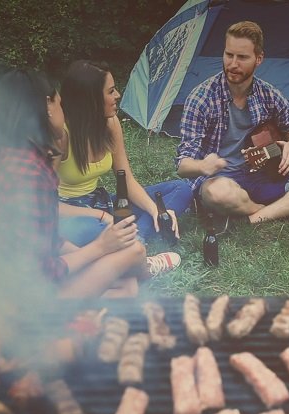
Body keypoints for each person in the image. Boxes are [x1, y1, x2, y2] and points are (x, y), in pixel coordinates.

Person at [0, 69, 148, 299]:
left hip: (1, 282)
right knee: (134, 252)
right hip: (12, 297)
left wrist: (92, 256)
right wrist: (99, 248)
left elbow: (44, 239)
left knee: (127, 286)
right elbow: (40, 273)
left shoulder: (11, 157)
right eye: (60, 104)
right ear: (48, 107)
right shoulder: (30, 175)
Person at [176, 21, 289, 225]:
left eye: (242, 57)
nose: (233, 64)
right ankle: (273, 208)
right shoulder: (201, 99)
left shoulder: (269, 94)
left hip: (264, 177)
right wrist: (203, 165)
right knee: (216, 193)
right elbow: (183, 166)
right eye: (229, 55)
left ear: (259, 59)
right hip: (223, 182)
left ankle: (254, 217)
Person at [56, 60, 191, 275]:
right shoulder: (61, 136)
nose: (118, 95)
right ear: (90, 100)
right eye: (110, 91)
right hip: (71, 215)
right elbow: (45, 205)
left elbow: (125, 177)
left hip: (101, 202)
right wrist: (100, 217)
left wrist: (155, 210)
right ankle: (138, 254)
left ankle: (135, 244)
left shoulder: (110, 123)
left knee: (182, 189)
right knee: (99, 229)